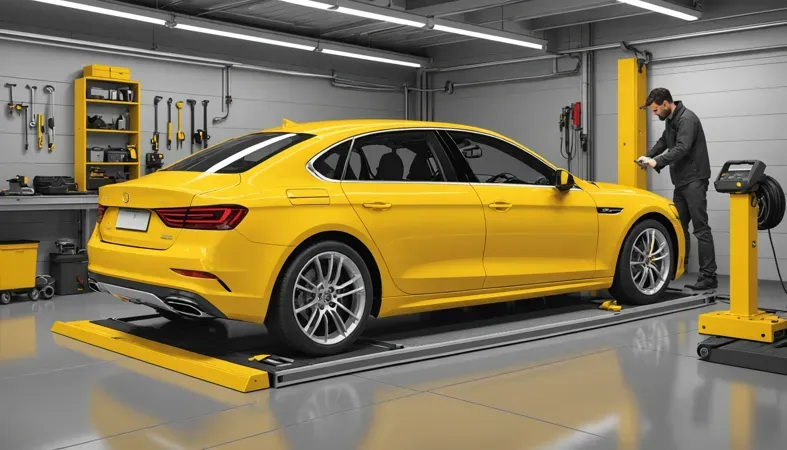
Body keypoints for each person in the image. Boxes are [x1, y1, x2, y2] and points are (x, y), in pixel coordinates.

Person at [637, 87, 717, 290]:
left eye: (655, 110)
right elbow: (664, 142)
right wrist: (647, 157)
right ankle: (679, 269)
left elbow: (683, 148)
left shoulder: (687, 119)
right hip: (681, 182)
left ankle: (709, 277)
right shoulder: (672, 120)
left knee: (700, 229)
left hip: (694, 181)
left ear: (666, 104)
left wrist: (658, 162)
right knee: (678, 228)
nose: (655, 115)